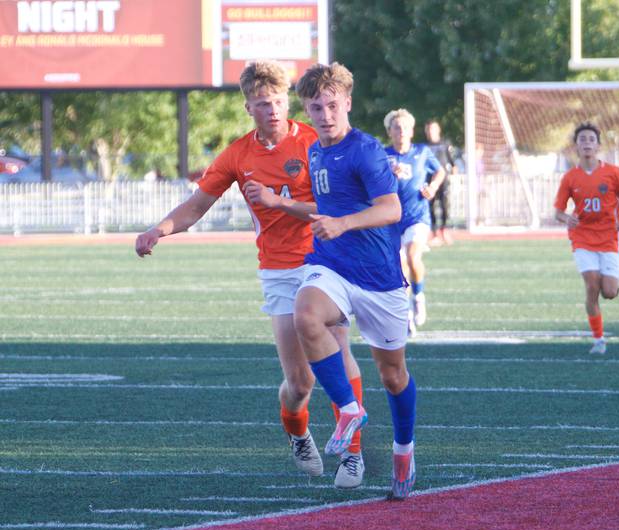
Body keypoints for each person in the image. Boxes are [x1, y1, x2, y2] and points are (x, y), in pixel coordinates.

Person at [134, 60, 365, 489]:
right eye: (263, 103)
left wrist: (283, 205)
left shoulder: (316, 139)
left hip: (326, 259)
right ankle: (298, 433)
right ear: (248, 108)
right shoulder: (239, 155)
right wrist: (158, 230)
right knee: (300, 382)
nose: (273, 110)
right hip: (278, 270)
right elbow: (195, 207)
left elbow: (341, 206)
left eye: (278, 101)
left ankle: (352, 453)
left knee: (338, 345)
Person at [291, 61, 417, 499]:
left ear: (347, 103)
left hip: (380, 279)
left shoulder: (365, 149)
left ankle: (404, 451)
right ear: (306, 110)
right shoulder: (314, 150)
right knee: (305, 316)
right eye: (316, 107)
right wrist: (279, 204)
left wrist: (343, 224)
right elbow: (325, 207)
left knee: (393, 375)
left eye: (332, 105)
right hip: (332, 267)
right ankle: (348, 409)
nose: (325, 114)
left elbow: (391, 210)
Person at [554, 122, 619, 355]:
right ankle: (599, 340)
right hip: (582, 238)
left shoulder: (613, 173)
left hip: (609, 237)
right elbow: (558, 211)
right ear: (576, 147)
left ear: (598, 146)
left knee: (608, 292)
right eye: (582, 139)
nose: (587, 143)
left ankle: (611, 286)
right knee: (591, 285)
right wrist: (565, 219)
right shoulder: (570, 178)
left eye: (591, 139)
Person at [384, 108, 445, 337]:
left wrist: (432, 188)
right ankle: (406, 312)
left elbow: (439, 172)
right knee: (399, 268)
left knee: (412, 256)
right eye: (396, 128)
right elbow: (371, 182)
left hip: (417, 216)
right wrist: (388, 173)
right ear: (390, 131)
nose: (401, 132)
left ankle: (418, 297)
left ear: (411, 131)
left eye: (405, 128)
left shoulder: (422, 152)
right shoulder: (383, 155)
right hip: (391, 220)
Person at [424, 119, 459, 245]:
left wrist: (454, 170)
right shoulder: (424, 147)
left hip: (443, 180)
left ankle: (443, 230)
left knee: (444, 205)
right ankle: (434, 232)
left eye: (433, 128)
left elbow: (452, 161)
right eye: (428, 129)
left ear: (438, 130)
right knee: (430, 206)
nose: (431, 132)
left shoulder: (445, 144)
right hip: (428, 181)